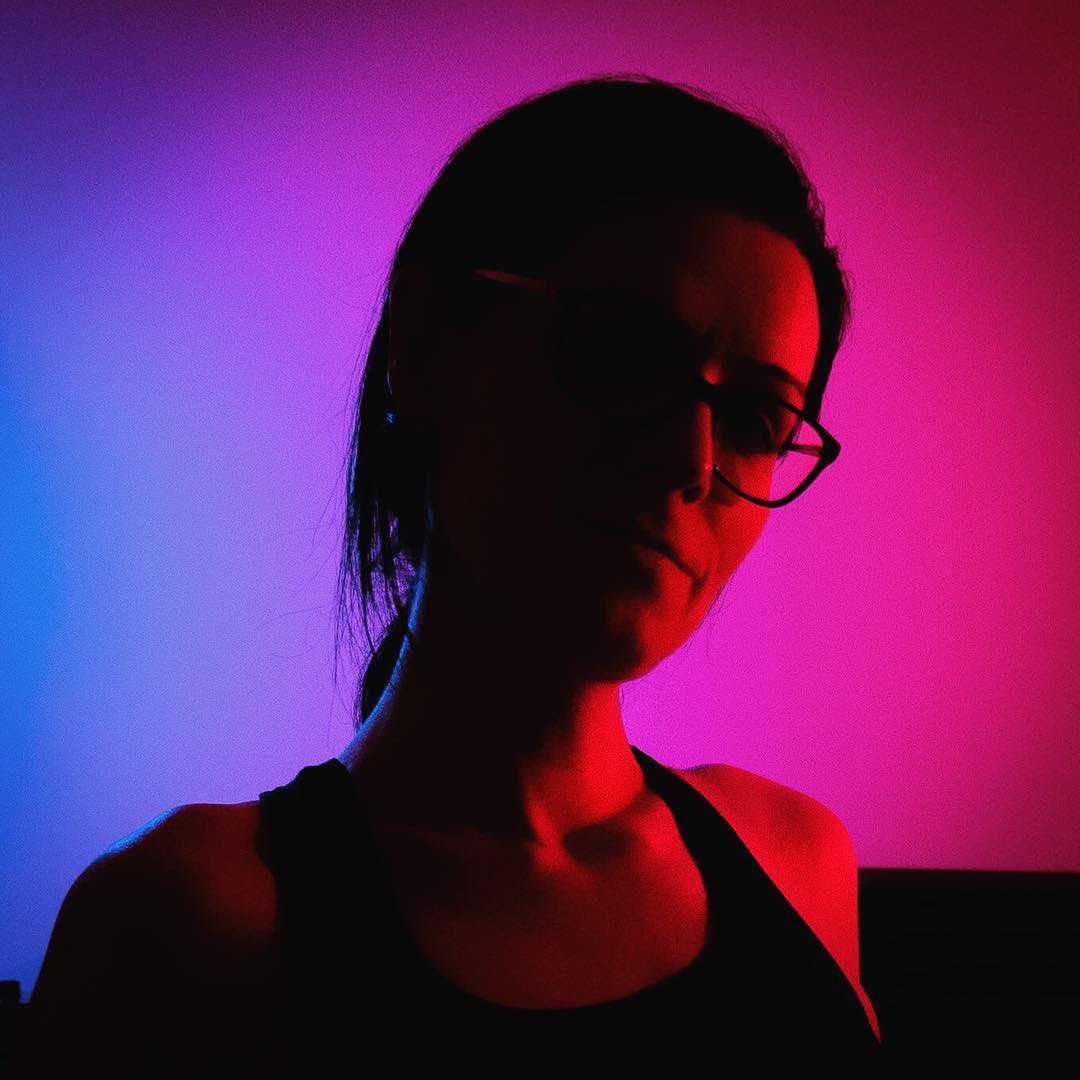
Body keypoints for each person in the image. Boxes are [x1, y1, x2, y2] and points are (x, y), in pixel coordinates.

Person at [13, 74, 883, 1076]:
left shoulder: (798, 859)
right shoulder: (189, 923)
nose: (689, 460)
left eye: (758, 420)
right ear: (424, 346)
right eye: (621, 353)